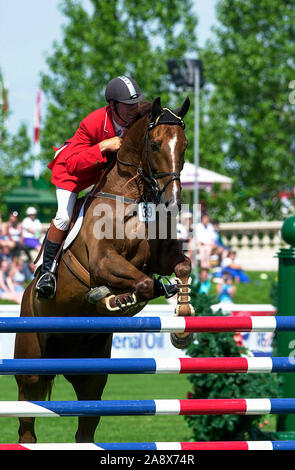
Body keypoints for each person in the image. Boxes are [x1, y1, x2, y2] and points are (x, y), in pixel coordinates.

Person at [35, 75, 145, 299]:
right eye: (128, 105)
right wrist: (104, 146)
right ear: (113, 105)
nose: (134, 109)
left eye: (136, 104)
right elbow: (74, 164)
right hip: (72, 174)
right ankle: (48, 272)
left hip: (102, 175)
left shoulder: (137, 117)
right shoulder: (94, 122)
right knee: (64, 217)